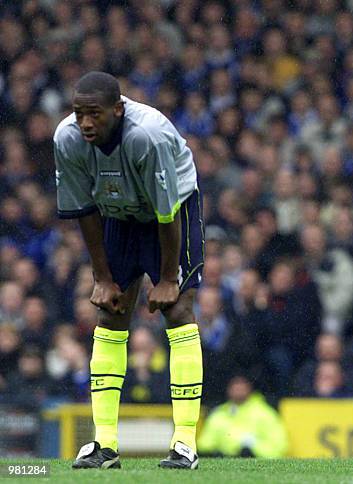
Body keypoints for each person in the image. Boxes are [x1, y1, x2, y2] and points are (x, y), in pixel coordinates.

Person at [54, 71, 204, 470]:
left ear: (117, 110)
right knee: (112, 312)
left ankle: (184, 444)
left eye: (95, 115)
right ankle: (104, 445)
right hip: (117, 209)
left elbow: (166, 210)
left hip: (173, 208)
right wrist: (102, 277)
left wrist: (169, 278)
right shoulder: (66, 138)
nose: (85, 123)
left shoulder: (146, 135)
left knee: (178, 311)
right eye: (78, 114)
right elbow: (82, 208)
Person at [197, 375, 288, 458]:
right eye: (235, 386)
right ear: (228, 389)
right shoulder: (219, 414)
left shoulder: (265, 414)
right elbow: (204, 446)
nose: (238, 390)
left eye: (241, 386)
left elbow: (279, 449)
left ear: (250, 388)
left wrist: (253, 448)